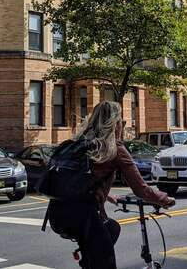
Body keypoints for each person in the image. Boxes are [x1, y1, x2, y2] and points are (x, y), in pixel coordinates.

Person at [48, 101, 175, 269]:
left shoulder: (80, 143)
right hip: (84, 217)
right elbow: (141, 189)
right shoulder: (114, 149)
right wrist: (164, 199)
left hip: (58, 213)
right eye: (121, 122)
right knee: (105, 262)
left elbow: (81, 179)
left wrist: (107, 196)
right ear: (115, 124)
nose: (122, 125)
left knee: (112, 229)